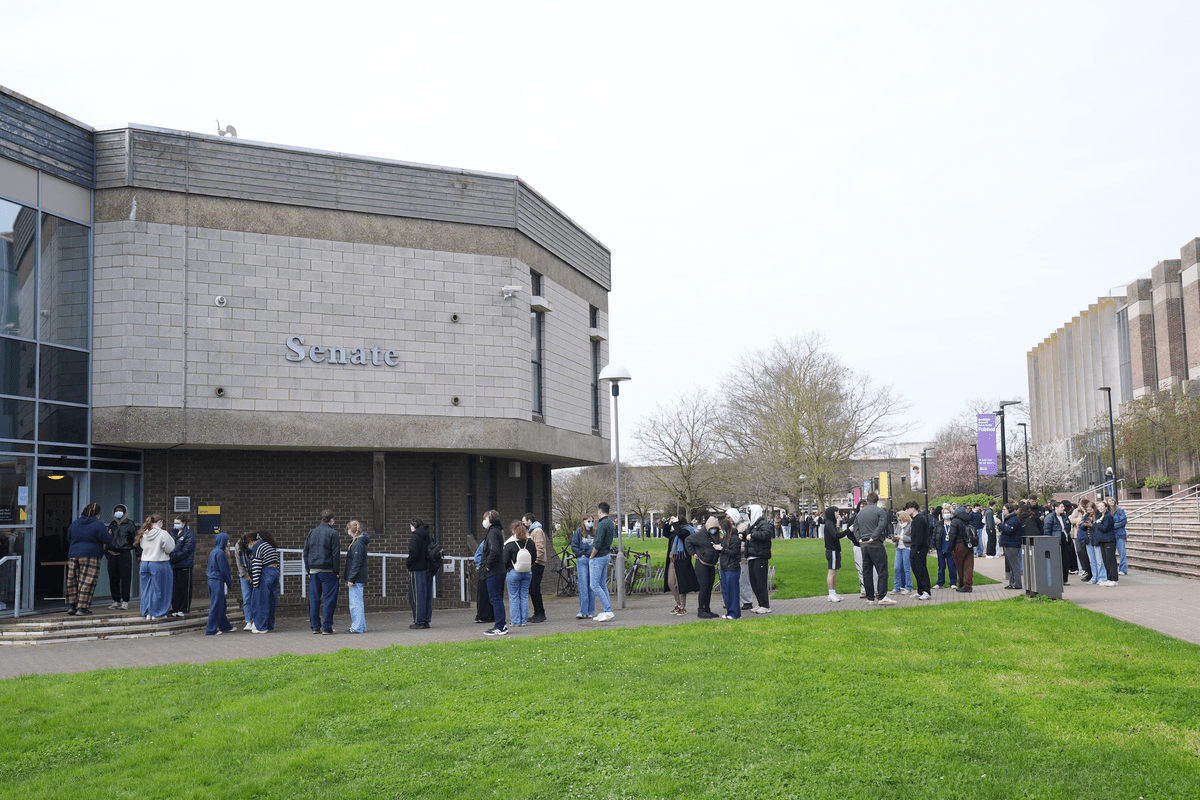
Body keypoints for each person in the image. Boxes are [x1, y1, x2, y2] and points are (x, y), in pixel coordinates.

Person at [65, 502, 112, 616]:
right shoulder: (98, 525)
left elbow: (68, 538)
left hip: (73, 555)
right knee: (87, 581)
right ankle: (82, 607)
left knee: (73, 581)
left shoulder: (75, 524)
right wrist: (109, 533)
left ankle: (72, 606)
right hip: (92, 555)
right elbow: (107, 539)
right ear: (97, 513)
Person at [304, 509, 341, 635]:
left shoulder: (312, 533)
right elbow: (336, 554)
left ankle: (315, 626)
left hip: (314, 571)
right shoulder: (333, 533)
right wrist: (336, 571)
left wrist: (308, 570)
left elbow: (305, 552)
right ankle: (326, 627)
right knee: (329, 600)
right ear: (331, 519)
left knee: (314, 599)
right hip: (328, 570)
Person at [854, 493, 895, 605]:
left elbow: (855, 527)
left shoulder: (860, 513)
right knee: (882, 570)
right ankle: (882, 597)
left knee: (867, 571)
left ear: (867, 501)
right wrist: (874, 537)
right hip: (875, 543)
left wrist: (859, 539)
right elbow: (882, 525)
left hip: (864, 544)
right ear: (877, 501)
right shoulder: (879, 511)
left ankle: (870, 598)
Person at [136, 514, 174, 620]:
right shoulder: (163, 533)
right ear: (159, 522)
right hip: (159, 562)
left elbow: (142, 546)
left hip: (145, 563)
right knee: (160, 589)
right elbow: (169, 549)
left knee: (146, 590)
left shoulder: (144, 533)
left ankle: (147, 612)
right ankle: (158, 613)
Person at [504, 520, 538, 627]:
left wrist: (508, 568)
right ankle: (523, 621)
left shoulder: (510, 544)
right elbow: (535, 558)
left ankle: (515, 621)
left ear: (513, 531)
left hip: (514, 572)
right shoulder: (530, 542)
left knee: (514, 597)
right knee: (524, 596)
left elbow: (505, 560)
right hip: (527, 572)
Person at [685, 516, 720, 618]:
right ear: (707, 527)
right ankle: (701, 610)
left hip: (711, 564)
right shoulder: (700, 535)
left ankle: (707, 609)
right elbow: (688, 541)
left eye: (715, 528)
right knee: (704, 588)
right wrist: (693, 553)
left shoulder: (716, 536)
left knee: (709, 588)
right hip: (702, 564)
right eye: (712, 528)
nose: (714, 530)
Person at [743, 504, 775, 613]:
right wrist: (741, 535)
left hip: (760, 556)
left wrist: (753, 535)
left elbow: (766, 534)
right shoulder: (752, 525)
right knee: (754, 582)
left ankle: (765, 605)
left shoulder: (763, 524)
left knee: (760, 582)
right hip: (752, 556)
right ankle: (760, 603)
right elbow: (747, 533)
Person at [481, 510, 508, 636]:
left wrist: (487, 566)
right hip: (498, 570)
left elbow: (494, 551)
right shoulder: (497, 531)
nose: (484, 522)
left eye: (486, 519)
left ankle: (500, 626)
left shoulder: (492, 532)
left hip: (494, 571)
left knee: (495, 599)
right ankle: (502, 624)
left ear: (491, 519)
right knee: (497, 599)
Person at [664, 517, 699, 615]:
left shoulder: (687, 531)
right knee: (671, 583)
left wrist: (676, 524)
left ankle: (682, 606)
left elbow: (681, 534)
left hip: (682, 561)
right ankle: (678, 605)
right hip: (673, 560)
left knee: (680, 584)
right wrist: (668, 524)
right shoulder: (676, 531)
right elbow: (666, 533)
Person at [104, 504, 136, 610]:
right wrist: (107, 553)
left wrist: (138, 553)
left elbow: (135, 539)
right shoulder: (112, 524)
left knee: (125, 578)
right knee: (113, 578)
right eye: (116, 511)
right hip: (112, 554)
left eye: (120, 511)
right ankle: (116, 600)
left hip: (124, 553)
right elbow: (108, 539)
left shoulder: (129, 523)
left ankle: (125, 601)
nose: (118, 512)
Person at [589, 502, 616, 622]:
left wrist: (592, 555)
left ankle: (608, 610)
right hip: (606, 555)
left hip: (599, 557)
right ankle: (606, 611)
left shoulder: (601, 524)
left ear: (600, 512)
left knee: (594, 585)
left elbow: (598, 543)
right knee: (602, 584)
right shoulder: (610, 522)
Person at [249, 530, 281, 633]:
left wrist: (255, 582)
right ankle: (269, 625)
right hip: (274, 572)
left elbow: (256, 565)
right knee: (271, 601)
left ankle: (261, 627)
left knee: (261, 601)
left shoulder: (258, 546)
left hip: (265, 573)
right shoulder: (270, 546)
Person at [406, 517, 433, 630]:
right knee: (426, 596)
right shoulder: (428, 536)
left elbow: (413, 554)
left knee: (417, 596)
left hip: (417, 570)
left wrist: (409, 564)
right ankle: (426, 620)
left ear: (416, 525)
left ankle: (419, 620)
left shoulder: (416, 537)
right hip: (427, 569)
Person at [205, 532, 234, 635]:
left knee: (221, 603)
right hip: (217, 580)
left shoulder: (214, 551)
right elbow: (224, 570)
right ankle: (211, 629)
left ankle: (225, 626)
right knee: (217, 604)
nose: (228, 542)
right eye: (228, 540)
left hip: (212, 580)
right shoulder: (220, 553)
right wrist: (229, 583)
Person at [522, 513, 549, 623]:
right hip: (534, 564)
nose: (523, 524)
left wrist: (534, 562)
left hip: (537, 564)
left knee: (534, 588)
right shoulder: (532, 531)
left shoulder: (537, 531)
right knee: (532, 589)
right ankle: (537, 612)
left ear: (529, 521)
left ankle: (540, 613)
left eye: (524, 521)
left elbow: (540, 548)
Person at [168, 515, 196, 618]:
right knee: (175, 588)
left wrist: (173, 558)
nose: (176, 525)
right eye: (175, 522)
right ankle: (175, 608)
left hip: (185, 565)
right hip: (174, 565)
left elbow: (187, 550)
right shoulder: (173, 534)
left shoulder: (189, 534)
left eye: (178, 522)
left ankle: (183, 609)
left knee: (184, 588)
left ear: (184, 523)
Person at [345, 520, 370, 633]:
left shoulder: (357, 543)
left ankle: (357, 627)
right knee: (358, 603)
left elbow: (356, 562)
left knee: (355, 604)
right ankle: (360, 626)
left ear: (351, 529)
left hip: (356, 578)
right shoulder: (359, 542)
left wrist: (351, 578)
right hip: (358, 577)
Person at [572, 516, 596, 619]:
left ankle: (591, 611)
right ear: (584, 522)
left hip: (593, 559)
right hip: (583, 559)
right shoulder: (579, 531)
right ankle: (583, 611)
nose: (590, 523)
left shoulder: (595, 532)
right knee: (583, 585)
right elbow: (574, 545)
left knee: (592, 586)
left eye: (592, 521)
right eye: (588, 521)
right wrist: (580, 554)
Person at [1044, 501, 1073, 586]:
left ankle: (1065, 579)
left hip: (1065, 538)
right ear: (1056, 508)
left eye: (1063, 507)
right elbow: (1047, 530)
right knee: (1055, 559)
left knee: (1065, 559)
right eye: (1061, 507)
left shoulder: (1064, 517)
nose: (1063, 508)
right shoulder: (1050, 517)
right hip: (1055, 539)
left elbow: (1068, 526)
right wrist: (1048, 540)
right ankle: (1055, 579)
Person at [906, 501, 932, 600]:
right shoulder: (915, 520)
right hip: (914, 548)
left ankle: (926, 591)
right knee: (916, 570)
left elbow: (920, 536)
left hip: (919, 549)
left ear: (913, 508)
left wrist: (917, 549)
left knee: (921, 569)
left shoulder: (920, 520)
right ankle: (920, 590)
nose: (906, 511)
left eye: (908, 508)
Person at [718, 516, 742, 618]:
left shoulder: (735, 539)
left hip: (732, 568)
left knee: (733, 592)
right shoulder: (725, 539)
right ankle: (730, 612)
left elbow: (734, 553)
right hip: (724, 567)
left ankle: (735, 614)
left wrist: (721, 549)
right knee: (726, 592)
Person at [997, 503, 1025, 590]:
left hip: (1012, 544)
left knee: (1014, 565)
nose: (1002, 511)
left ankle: (1017, 583)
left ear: (1009, 510)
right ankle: (1012, 583)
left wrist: (1000, 524)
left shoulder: (1013, 520)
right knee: (1012, 565)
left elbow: (1009, 530)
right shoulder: (1010, 519)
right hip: (1010, 543)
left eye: (1004, 509)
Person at [949, 504, 976, 593]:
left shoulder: (955, 521)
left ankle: (961, 584)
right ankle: (968, 585)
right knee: (969, 566)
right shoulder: (969, 520)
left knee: (960, 566)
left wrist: (951, 547)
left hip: (959, 545)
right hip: (969, 544)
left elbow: (952, 536)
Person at [1095, 498, 1121, 586]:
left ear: (1106, 507)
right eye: (1099, 506)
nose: (1101, 508)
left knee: (1110, 560)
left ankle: (1114, 579)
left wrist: (1098, 524)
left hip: (1109, 541)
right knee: (1105, 560)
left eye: (1102, 506)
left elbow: (1104, 528)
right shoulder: (1099, 516)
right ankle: (1109, 578)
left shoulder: (1108, 516)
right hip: (1102, 540)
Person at [823, 505, 846, 602]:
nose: (838, 514)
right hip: (831, 550)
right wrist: (847, 531)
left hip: (835, 550)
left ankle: (834, 592)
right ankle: (831, 593)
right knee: (831, 572)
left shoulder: (831, 523)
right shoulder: (829, 524)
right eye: (837, 512)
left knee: (834, 572)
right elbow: (836, 535)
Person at [934, 505, 958, 589]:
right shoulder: (939, 523)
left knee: (952, 566)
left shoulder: (954, 523)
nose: (946, 514)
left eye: (948, 513)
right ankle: (940, 583)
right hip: (941, 547)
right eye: (945, 513)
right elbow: (935, 535)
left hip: (950, 548)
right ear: (942, 514)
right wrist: (933, 545)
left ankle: (953, 582)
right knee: (941, 566)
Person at [235, 532, 256, 631]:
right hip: (244, 575)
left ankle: (256, 620)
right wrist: (245, 575)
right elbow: (239, 562)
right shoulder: (238, 546)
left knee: (256, 597)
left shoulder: (255, 545)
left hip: (255, 573)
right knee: (247, 597)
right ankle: (248, 621)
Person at [473, 537, 494, 624]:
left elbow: (478, 555)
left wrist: (480, 567)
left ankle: (484, 615)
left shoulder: (485, 542)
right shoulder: (488, 542)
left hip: (485, 571)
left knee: (484, 595)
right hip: (489, 572)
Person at [892, 510, 913, 595]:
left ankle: (908, 587)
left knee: (906, 568)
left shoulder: (910, 525)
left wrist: (901, 537)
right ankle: (897, 587)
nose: (900, 522)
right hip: (899, 548)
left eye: (902, 520)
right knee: (897, 568)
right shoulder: (898, 525)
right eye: (899, 520)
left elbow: (911, 538)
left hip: (906, 548)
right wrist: (894, 538)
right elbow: (896, 534)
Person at [1109, 496, 1129, 575]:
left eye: (1112, 500)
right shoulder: (1107, 512)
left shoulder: (1120, 511)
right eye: (1109, 501)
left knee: (1122, 552)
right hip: (1111, 535)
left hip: (1120, 534)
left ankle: (1123, 569)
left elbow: (1124, 521)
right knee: (1111, 554)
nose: (1111, 502)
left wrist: (1113, 526)